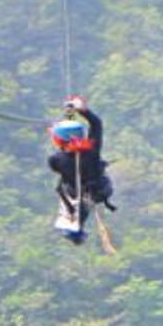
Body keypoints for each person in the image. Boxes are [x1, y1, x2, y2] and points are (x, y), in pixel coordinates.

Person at [48, 95, 113, 244]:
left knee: (73, 197)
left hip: (76, 194)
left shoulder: (57, 160)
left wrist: (58, 129)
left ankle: (75, 229)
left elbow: (58, 157)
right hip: (100, 190)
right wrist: (83, 111)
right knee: (81, 200)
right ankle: (76, 228)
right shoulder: (92, 150)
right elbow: (96, 125)